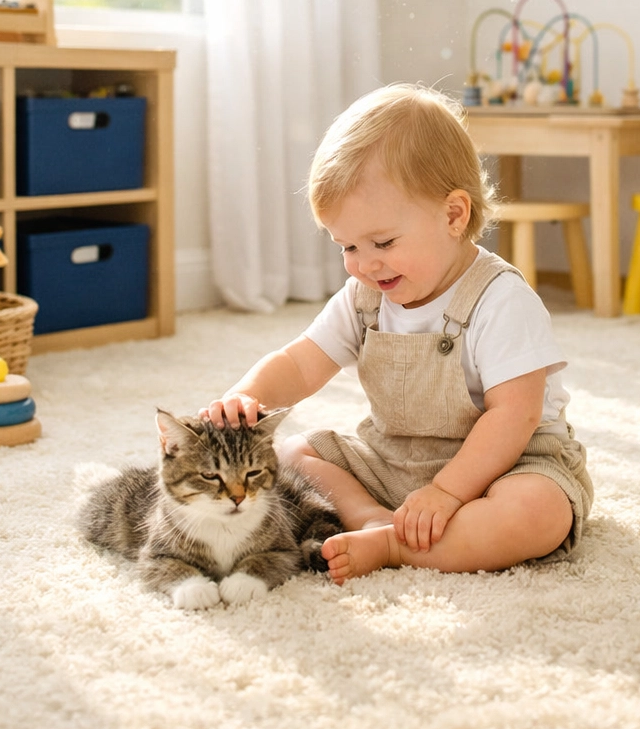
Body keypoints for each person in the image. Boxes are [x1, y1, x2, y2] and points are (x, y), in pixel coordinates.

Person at [201, 83, 592, 584]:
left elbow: (517, 414)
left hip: (508, 463)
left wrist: (449, 492)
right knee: (289, 456)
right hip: (392, 458)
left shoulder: (501, 299)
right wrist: (245, 396)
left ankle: (393, 545)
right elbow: (300, 363)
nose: (364, 264)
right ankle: (371, 518)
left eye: (382, 241)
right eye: (347, 246)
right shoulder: (363, 297)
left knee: (538, 514)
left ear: (454, 215)